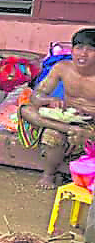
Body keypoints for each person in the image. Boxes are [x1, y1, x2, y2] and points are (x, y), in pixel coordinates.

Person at [19, 28, 95, 188]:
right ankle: (49, 175)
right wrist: (49, 99)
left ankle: (70, 133)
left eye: (90, 49)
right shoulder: (62, 67)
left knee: (53, 134)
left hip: (90, 123)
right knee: (25, 109)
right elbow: (37, 94)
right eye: (79, 48)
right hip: (65, 117)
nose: (83, 54)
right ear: (72, 50)